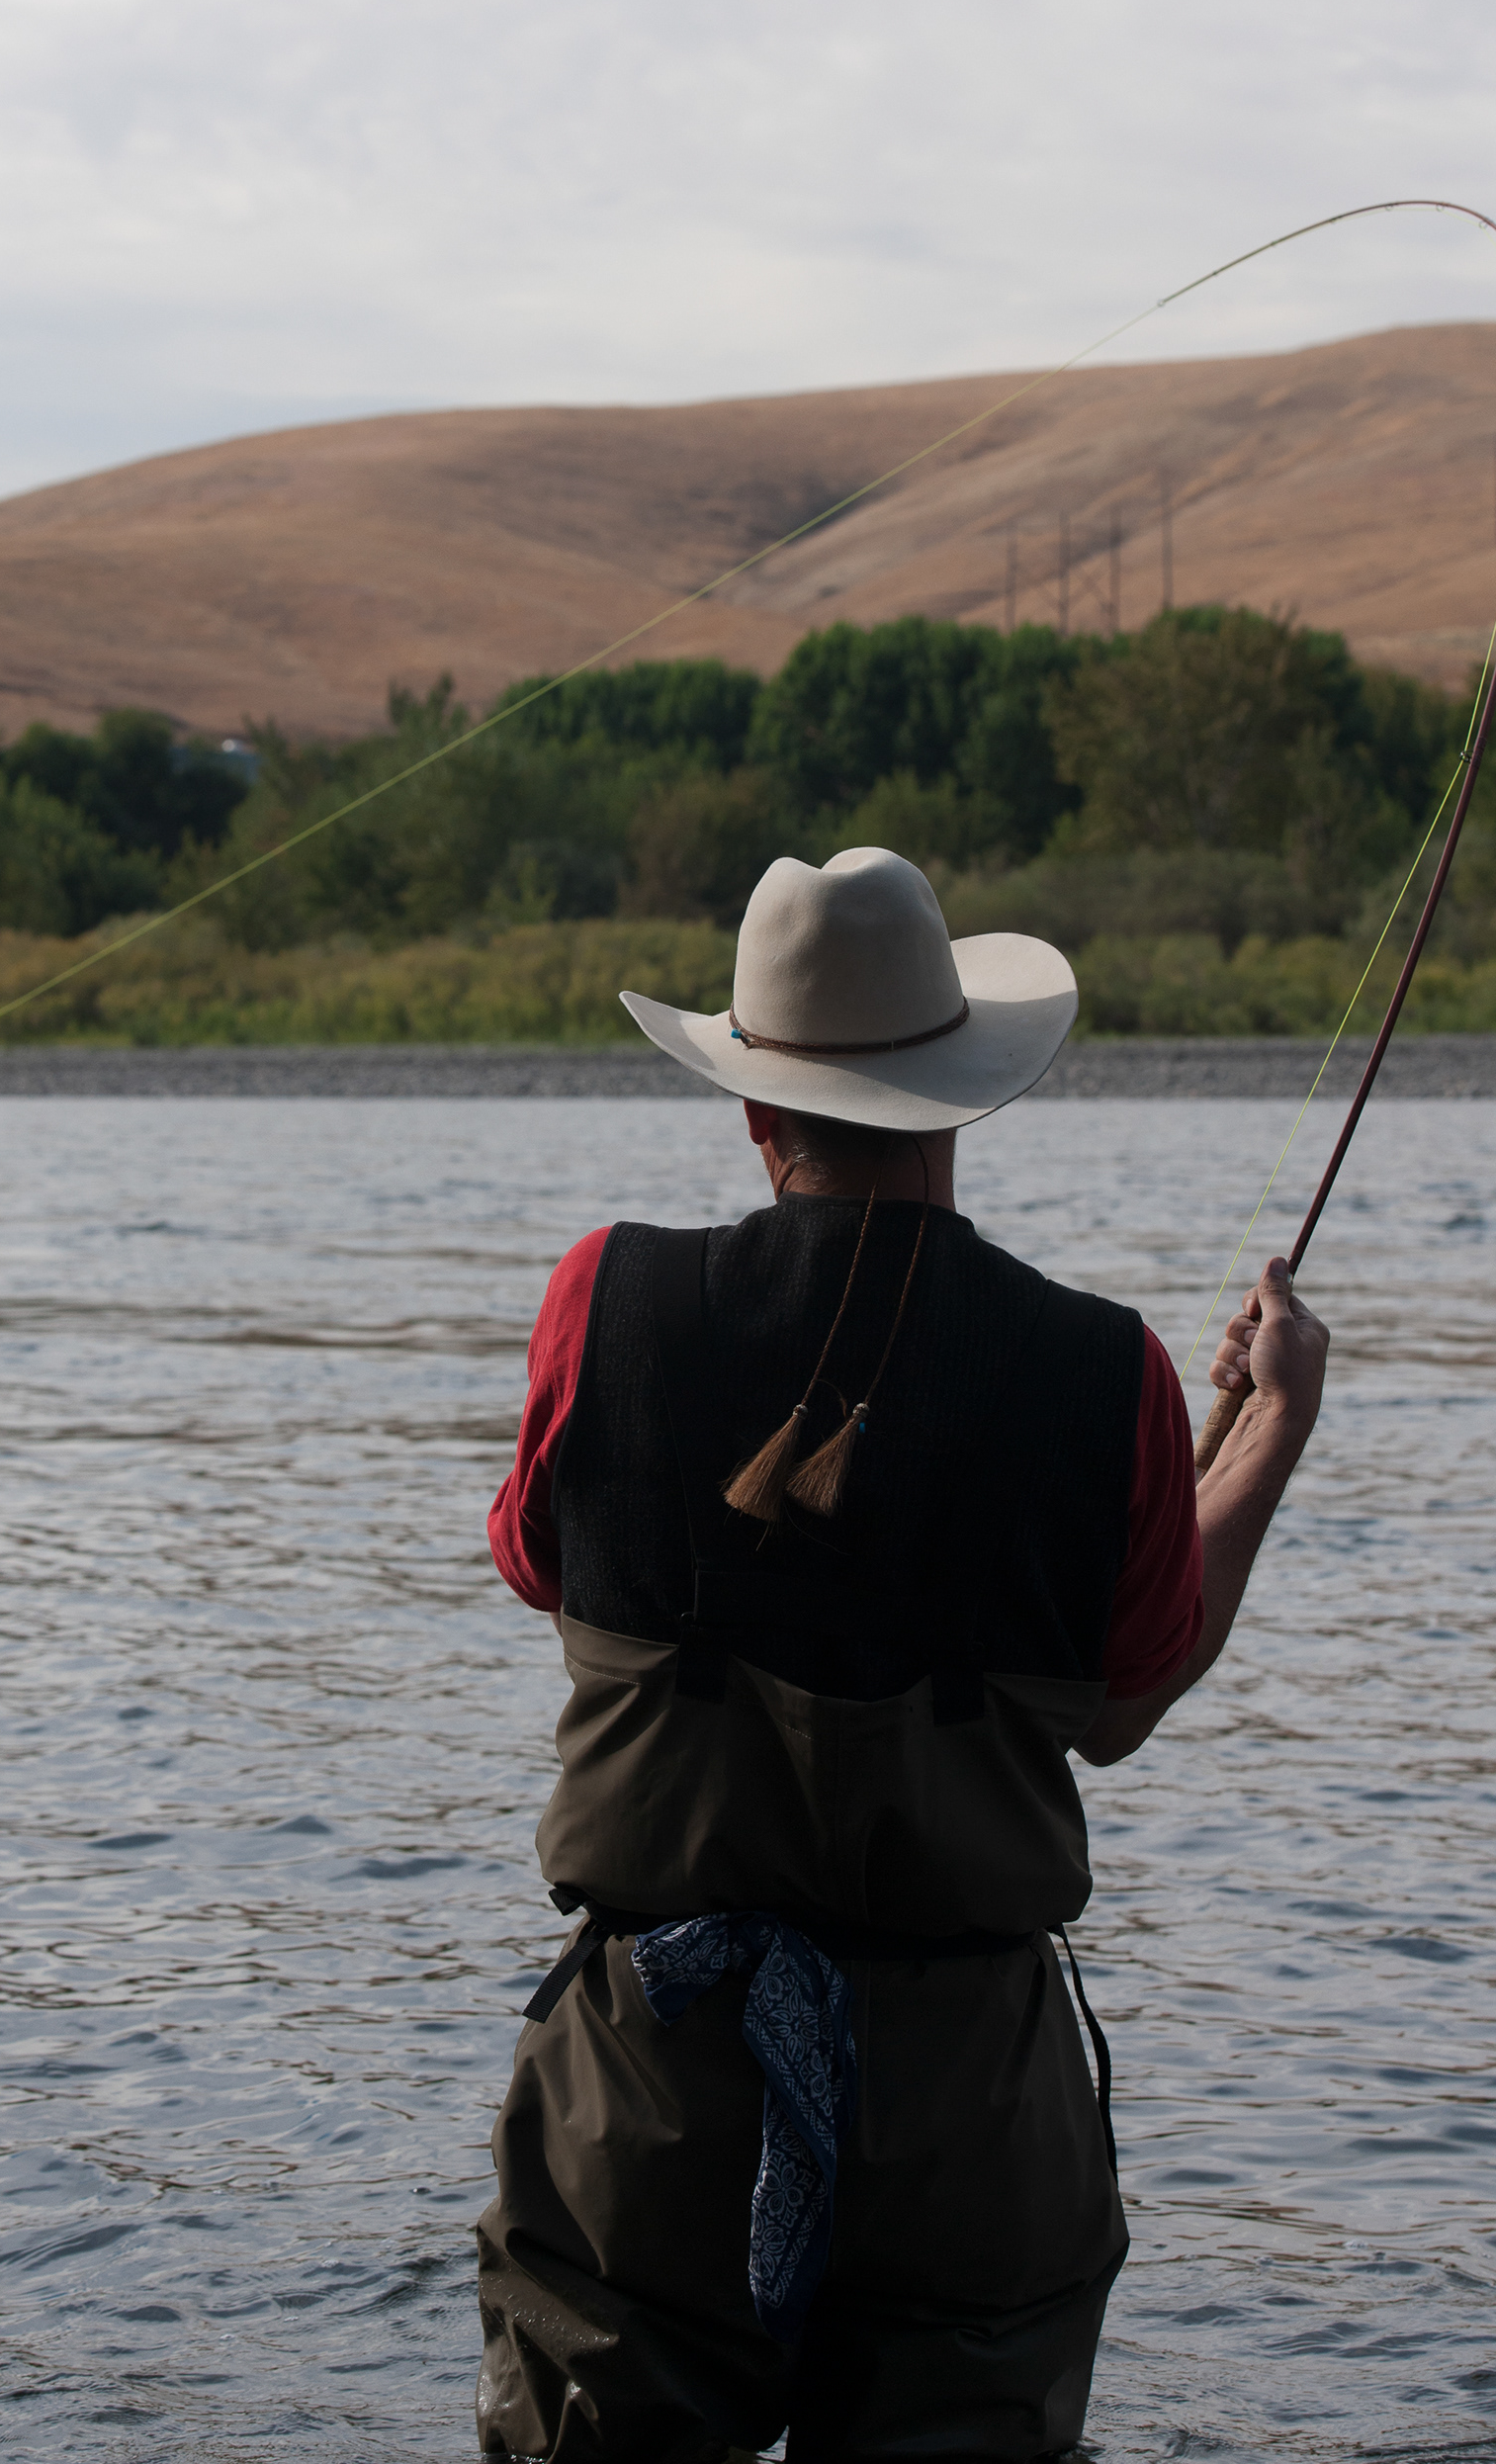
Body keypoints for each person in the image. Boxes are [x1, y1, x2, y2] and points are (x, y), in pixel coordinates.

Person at [475, 845, 1328, 2464]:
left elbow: (536, 1565)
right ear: (961, 1103)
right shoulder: (1113, 1374)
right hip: (967, 2115)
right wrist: (1269, 1424)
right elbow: (1126, 1700)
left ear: (753, 1107)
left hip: (652, 2091)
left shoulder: (603, 1294)